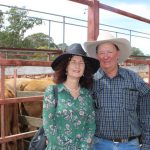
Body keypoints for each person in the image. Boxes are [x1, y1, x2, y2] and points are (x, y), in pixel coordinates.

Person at [84, 32, 150, 150]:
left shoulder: (134, 79)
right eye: (101, 53)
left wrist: (147, 144)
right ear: (97, 56)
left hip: (130, 145)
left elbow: (146, 114)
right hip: (99, 144)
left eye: (109, 52)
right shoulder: (90, 82)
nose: (106, 56)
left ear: (118, 54)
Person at [42, 43, 100, 150]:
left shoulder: (87, 95)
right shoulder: (52, 92)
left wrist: (83, 146)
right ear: (66, 67)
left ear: (84, 69)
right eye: (73, 62)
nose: (77, 66)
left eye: (81, 63)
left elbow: (91, 125)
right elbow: (49, 125)